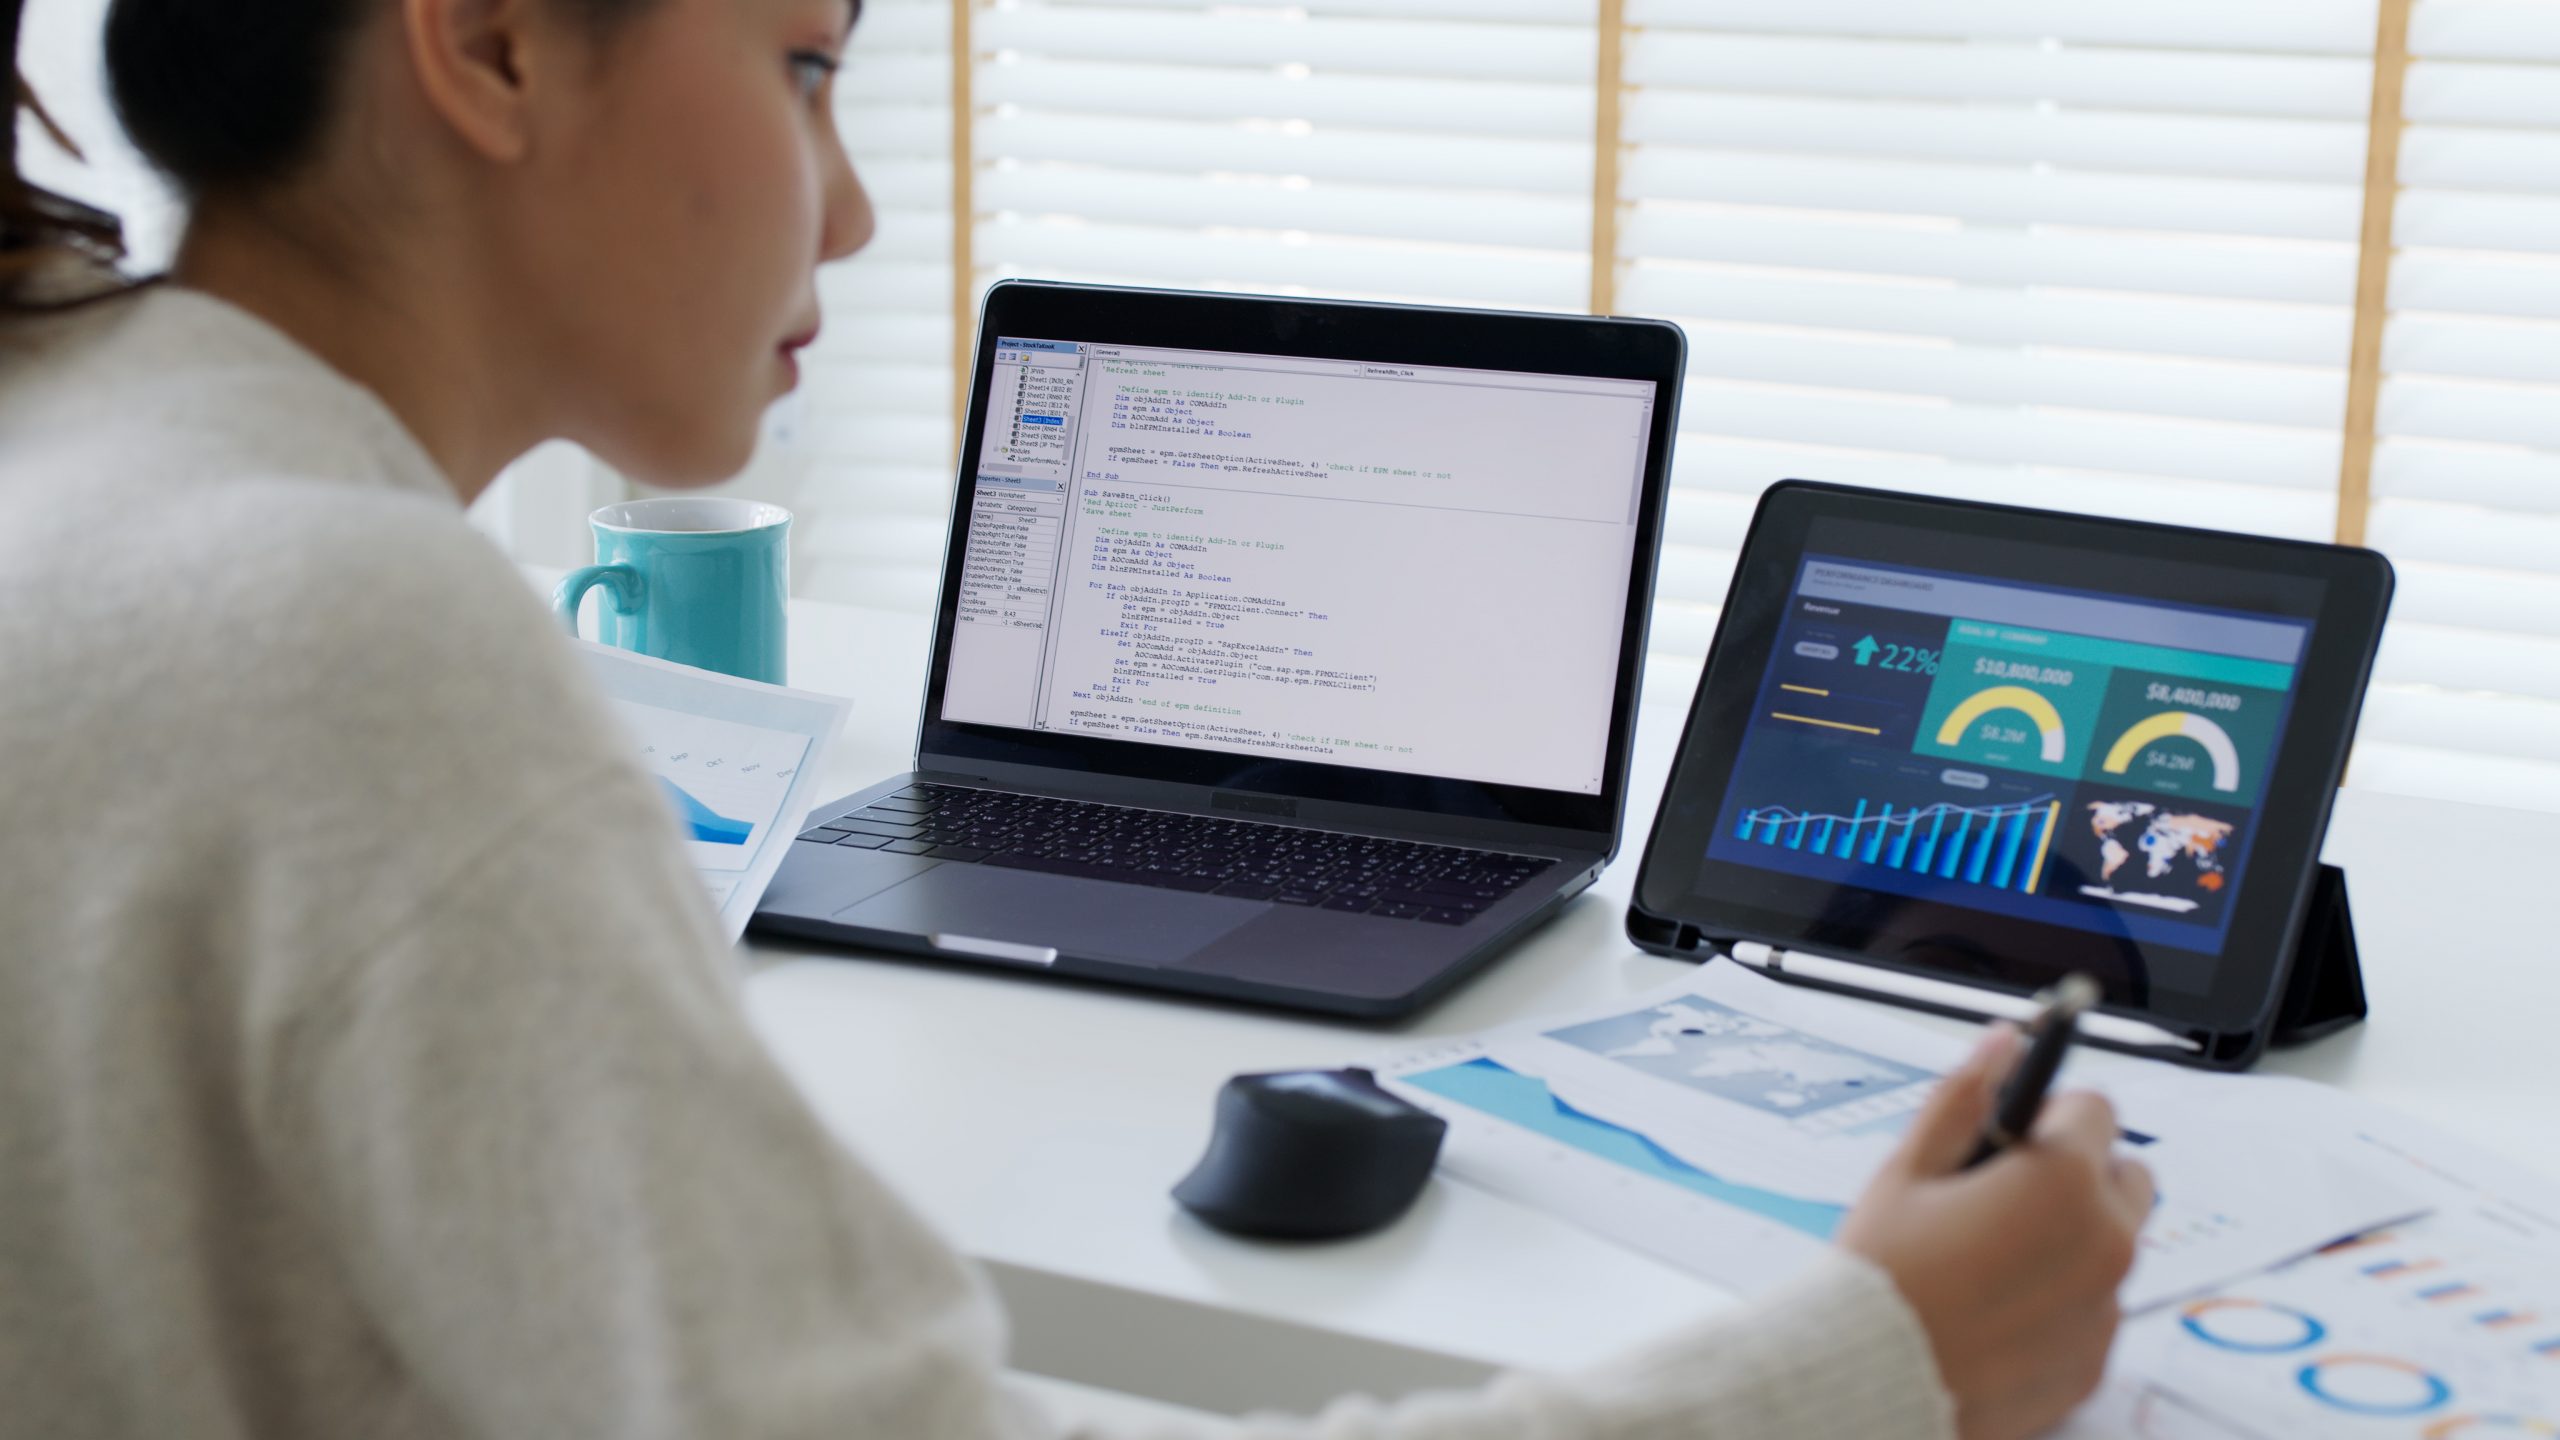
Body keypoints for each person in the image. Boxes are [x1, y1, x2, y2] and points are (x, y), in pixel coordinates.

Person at [0, 1, 2156, 1436]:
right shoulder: (347, 647)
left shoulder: (77, 446)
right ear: (482, 45)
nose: (845, 205)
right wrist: (1883, 1364)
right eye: (803, 63)